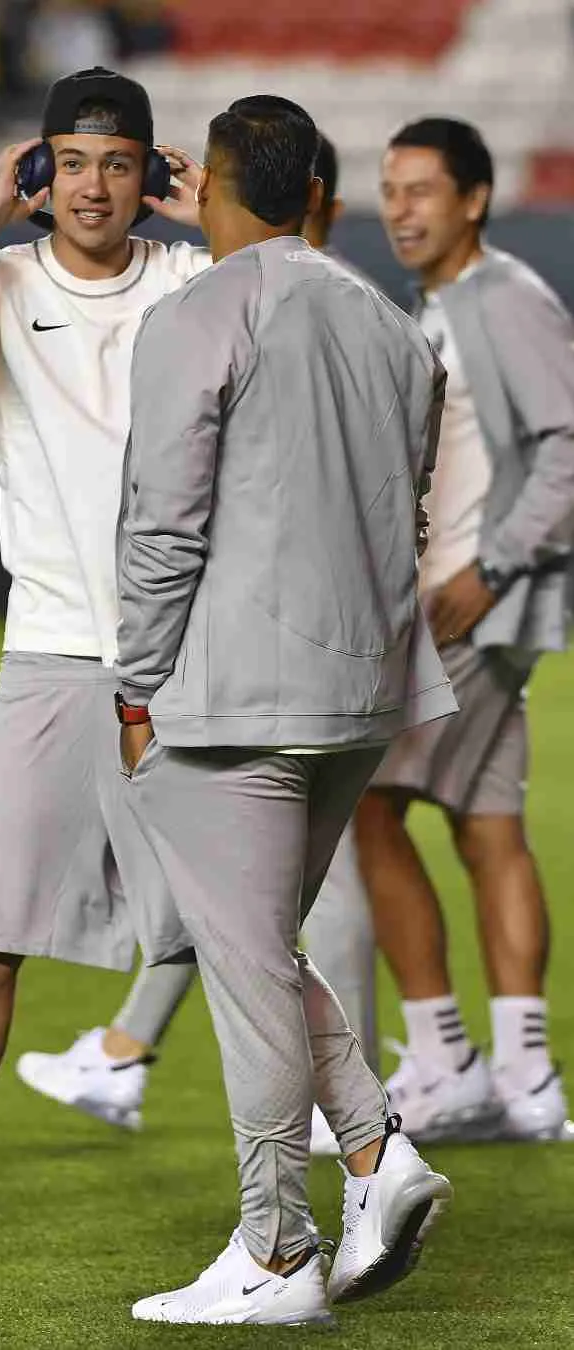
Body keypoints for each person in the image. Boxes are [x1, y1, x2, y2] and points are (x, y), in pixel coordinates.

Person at [114, 94, 454, 1327]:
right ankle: (375, 1155)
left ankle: (275, 1247)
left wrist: (136, 683)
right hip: (365, 690)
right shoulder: (390, 323)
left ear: (209, 181)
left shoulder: (196, 312)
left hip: (232, 693)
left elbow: (163, 523)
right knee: (261, 950)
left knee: (249, 963)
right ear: (315, 188)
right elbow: (406, 509)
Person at [0, 65, 211, 1281]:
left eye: (119, 163)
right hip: (50, 658)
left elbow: (306, 290)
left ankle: (332, 1185)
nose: (94, 186)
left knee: (242, 933)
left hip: (185, 665)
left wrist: (209, 208)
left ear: (149, 175)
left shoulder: (190, 279)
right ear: (42, 174)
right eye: (71, 163)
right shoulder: (7, 283)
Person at [15, 133, 380, 1156]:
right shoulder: (366, 316)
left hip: (263, 653)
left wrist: (137, 691)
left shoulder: (219, 312)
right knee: (252, 893)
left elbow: (171, 524)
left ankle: (336, 1154)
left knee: (264, 898)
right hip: (355, 653)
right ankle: (147, 1058)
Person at [358, 116, 574, 1143]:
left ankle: (444, 1057)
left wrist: (494, 567)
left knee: (365, 808)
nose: (400, 208)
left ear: (476, 199)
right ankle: (527, 1078)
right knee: (488, 831)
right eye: (391, 189)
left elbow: (570, 442)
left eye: (423, 190)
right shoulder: (445, 303)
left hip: (469, 606)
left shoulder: (502, 299)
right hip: (472, 603)